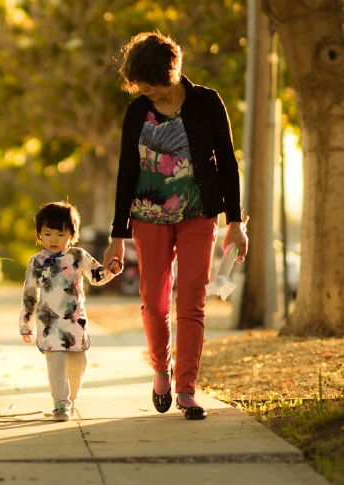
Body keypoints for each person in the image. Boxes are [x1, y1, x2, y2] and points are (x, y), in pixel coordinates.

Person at [103, 32, 248, 420]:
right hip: (147, 217)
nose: (143, 89)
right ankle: (159, 369)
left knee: (191, 302)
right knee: (154, 301)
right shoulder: (137, 112)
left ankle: (186, 388)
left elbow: (228, 164)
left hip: (199, 214)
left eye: (149, 83)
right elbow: (126, 172)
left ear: (171, 73)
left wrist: (235, 222)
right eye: (139, 84)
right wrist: (117, 236)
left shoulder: (207, 102)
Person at [19, 202, 122, 421]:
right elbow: (29, 294)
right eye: (47, 233)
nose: (53, 239)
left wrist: (111, 270)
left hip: (75, 322)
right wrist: (25, 323)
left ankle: (72, 397)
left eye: (60, 233)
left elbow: (97, 277)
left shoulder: (78, 256)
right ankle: (60, 403)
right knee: (55, 365)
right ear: (39, 235)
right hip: (49, 324)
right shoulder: (37, 262)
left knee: (78, 363)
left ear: (72, 235)